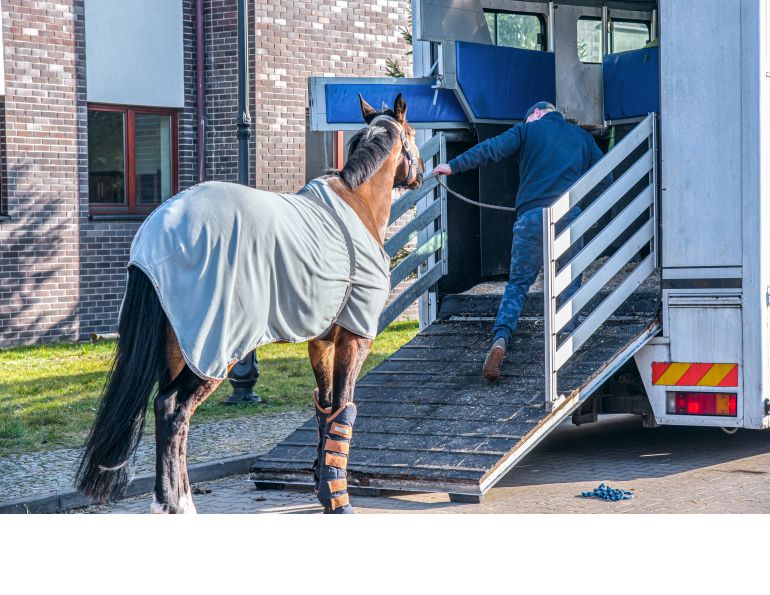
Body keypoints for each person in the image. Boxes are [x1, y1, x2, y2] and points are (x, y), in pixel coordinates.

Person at [431, 101, 610, 381]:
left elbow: (490, 149)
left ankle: (500, 339)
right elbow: (605, 177)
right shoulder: (583, 138)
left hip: (530, 219)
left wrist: (451, 166)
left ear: (536, 114)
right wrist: (580, 207)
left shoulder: (527, 131)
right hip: (568, 217)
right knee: (570, 279)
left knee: (517, 284)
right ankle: (567, 342)